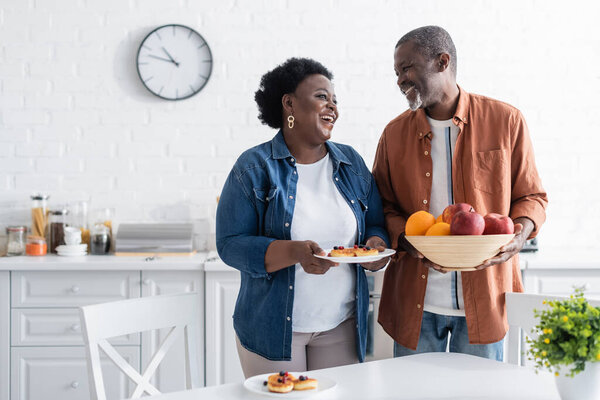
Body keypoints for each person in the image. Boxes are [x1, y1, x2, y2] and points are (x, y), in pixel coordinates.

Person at [372, 26, 548, 361]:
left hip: (486, 300)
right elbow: (381, 207)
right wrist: (410, 242)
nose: (399, 80)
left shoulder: (506, 120)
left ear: (442, 61)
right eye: (396, 72)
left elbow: (532, 197)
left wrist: (518, 235)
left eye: (407, 68)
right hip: (416, 305)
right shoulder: (393, 134)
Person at [216, 57, 390, 377]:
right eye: (322, 96)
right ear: (289, 104)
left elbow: (376, 224)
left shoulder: (351, 162)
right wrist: (295, 252)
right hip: (273, 329)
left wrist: (376, 247)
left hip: (342, 323)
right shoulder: (254, 167)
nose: (333, 107)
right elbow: (230, 244)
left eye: (336, 100)